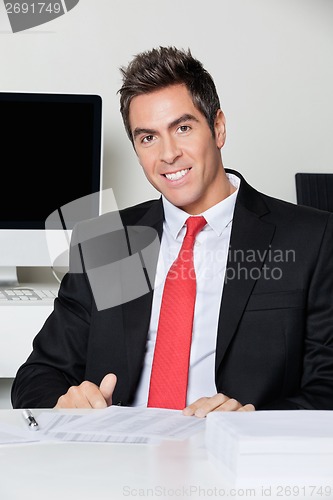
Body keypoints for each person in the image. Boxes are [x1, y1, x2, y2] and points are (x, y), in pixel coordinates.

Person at [11, 46, 333, 415]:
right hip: (113, 454)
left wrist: (251, 423)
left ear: (218, 127)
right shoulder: (107, 241)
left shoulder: (312, 237)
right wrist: (63, 401)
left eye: (182, 128)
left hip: (228, 457)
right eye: (148, 137)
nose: (168, 154)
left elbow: (327, 385)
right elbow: (38, 375)